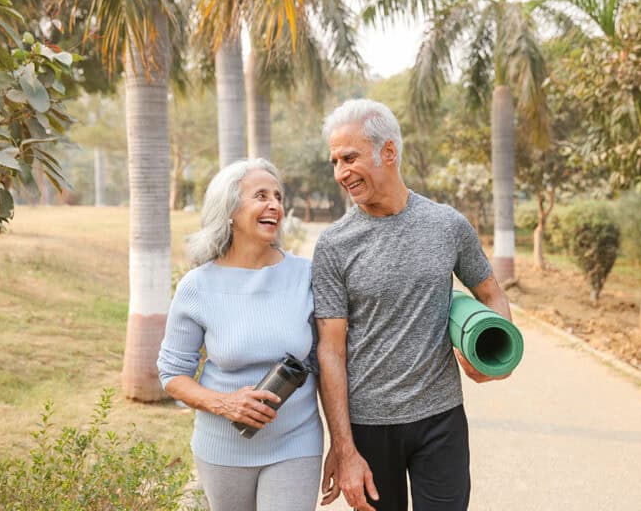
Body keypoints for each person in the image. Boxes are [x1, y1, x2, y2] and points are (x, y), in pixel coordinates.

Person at [312, 99, 514, 511]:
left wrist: (497, 359)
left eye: (349, 158)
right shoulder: (334, 245)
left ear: (388, 152)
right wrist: (344, 448)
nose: (341, 173)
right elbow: (330, 350)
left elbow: (491, 293)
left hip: (441, 420)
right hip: (369, 428)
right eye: (334, 162)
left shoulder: (447, 225)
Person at [157, 159, 323, 511]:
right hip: (223, 447)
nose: (274, 205)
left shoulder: (306, 275)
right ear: (230, 209)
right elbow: (172, 375)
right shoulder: (197, 286)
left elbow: (331, 358)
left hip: (297, 441)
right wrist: (225, 403)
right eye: (260, 195)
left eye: (278, 196)